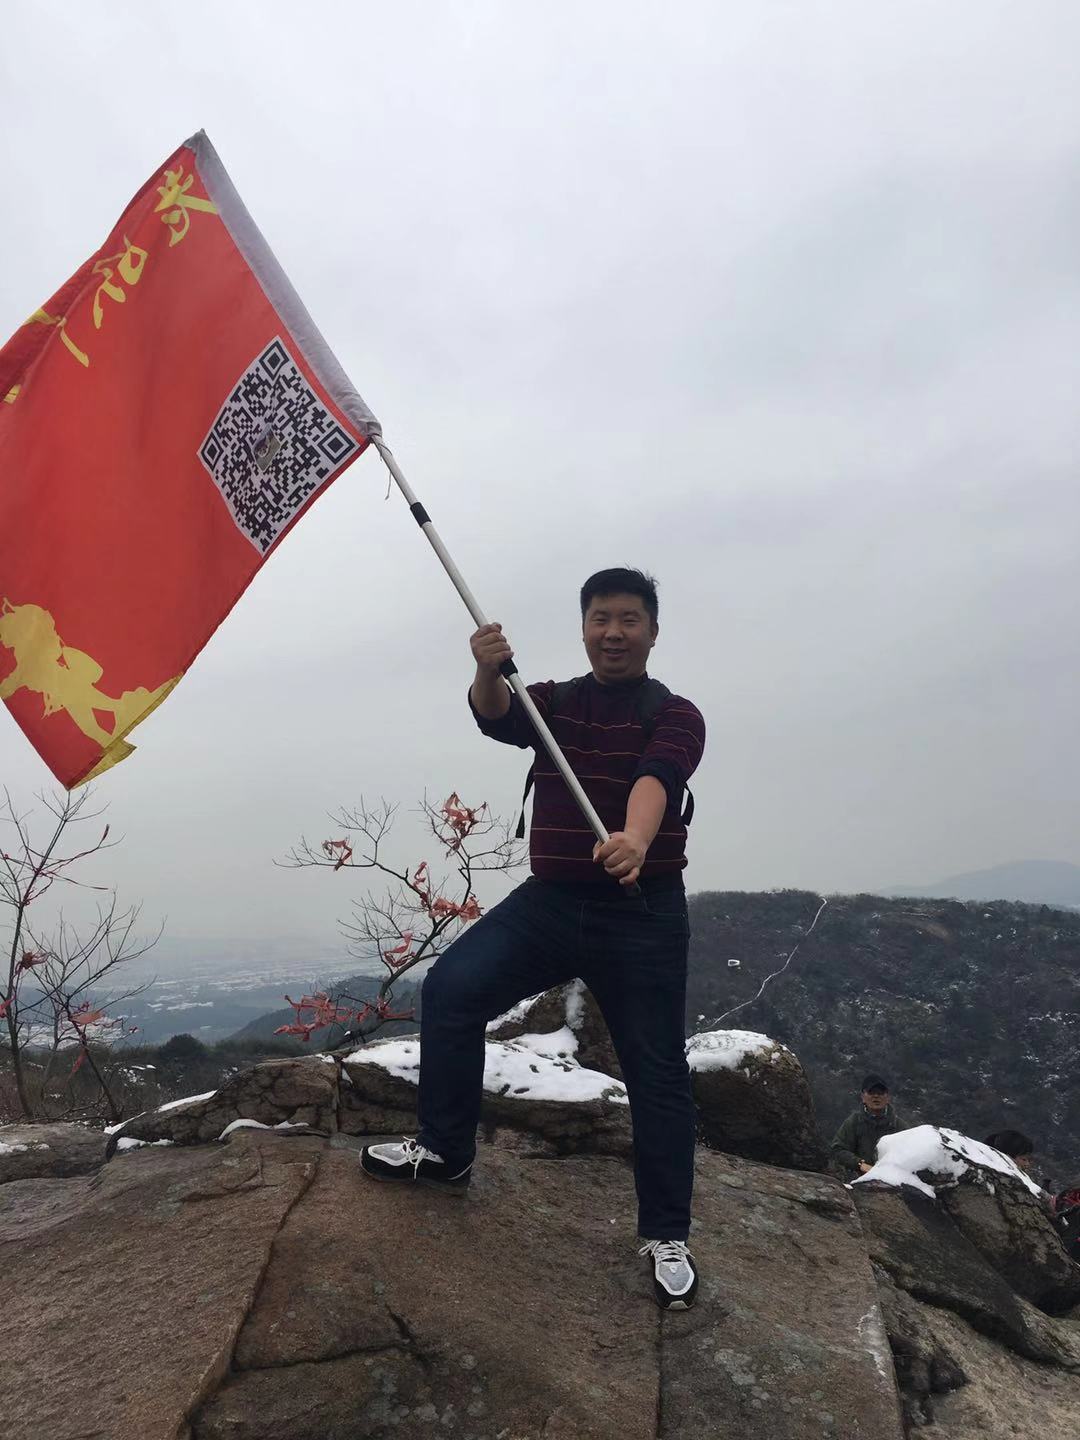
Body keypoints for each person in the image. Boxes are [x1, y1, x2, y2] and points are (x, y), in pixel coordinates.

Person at [360, 567, 706, 1310]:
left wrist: (635, 839)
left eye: (629, 619)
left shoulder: (677, 714)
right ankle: (445, 1151)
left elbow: (658, 777)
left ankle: (666, 1232)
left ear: (652, 630)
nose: (614, 632)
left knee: (655, 1069)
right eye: (601, 618)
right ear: (584, 627)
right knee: (452, 990)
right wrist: (487, 669)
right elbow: (496, 716)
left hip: (641, 910)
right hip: (550, 901)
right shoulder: (553, 701)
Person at [830, 1074, 905, 1180]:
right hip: (859, 1180)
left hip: (893, 1180)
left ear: (888, 1097)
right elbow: (838, 1150)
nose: (876, 1096)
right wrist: (860, 1164)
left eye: (880, 1092)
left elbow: (912, 1155)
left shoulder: (899, 1126)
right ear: (863, 1097)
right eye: (871, 1092)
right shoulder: (854, 1122)